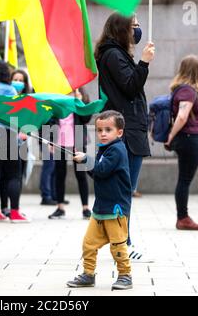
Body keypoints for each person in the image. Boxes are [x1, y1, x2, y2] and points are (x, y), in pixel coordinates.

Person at [95, 12, 155, 261]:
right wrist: (144, 63)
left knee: (122, 190)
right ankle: (123, 244)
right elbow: (130, 86)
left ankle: (115, 240)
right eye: (134, 26)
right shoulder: (113, 55)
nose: (138, 30)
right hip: (126, 132)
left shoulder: (116, 54)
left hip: (130, 129)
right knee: (123, 191)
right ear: (121, 28)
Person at [67, 111, 132, 290]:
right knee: (89, 243)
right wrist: (84, 162)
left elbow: (101, 169)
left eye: (108, 130)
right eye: (99, 130)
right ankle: (88, 274)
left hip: (115, 208)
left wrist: (86, 159)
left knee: (118, 245)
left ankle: (125, 275)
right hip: (101, 208)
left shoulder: (117, 150)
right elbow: (97, 174)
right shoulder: (105, 149)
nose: (103, 133)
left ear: (119, 133)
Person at [165, 55, 198, 230]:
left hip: (188, 138)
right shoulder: (187, 90)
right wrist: (170, 136)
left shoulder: (181, 89)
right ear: (197, 71)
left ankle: (183, 216)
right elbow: (182, 116)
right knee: (184, 179)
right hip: (189, 139)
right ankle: (183, 218)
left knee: (184, 178)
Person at [0, 59, 29, 222]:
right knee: (13, 175)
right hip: (8, 133)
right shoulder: (10, 90)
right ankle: (15, 211)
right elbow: (16, 114)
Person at [48, 88, 92, 220]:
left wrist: (79, 102)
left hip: (77, 141)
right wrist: (50, 141)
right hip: (59, 142)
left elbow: (86, 119)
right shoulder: (56, 104)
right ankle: (60, 207)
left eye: (72, 91)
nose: (69, 94)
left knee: (81, 175)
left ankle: (85, 208)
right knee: (59, 174)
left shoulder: (78, 103)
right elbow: (49, 121)